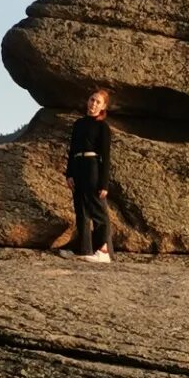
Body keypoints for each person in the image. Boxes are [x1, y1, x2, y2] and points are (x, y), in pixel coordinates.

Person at [64, 88, 113, 263]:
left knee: (98, 211)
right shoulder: (78, 124)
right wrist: (69, 174)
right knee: (81, 210)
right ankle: (84, 250)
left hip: (93, 167)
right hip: (78, 167)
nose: (93, 104)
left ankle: (103, 251)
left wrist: (104, 184)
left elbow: (106, 157)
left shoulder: (103, 127)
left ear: (103, 106)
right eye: (92, 99)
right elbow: (72, 151)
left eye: (98, 102)